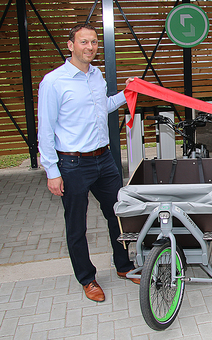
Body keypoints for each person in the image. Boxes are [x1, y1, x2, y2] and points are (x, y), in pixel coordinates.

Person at [38, 23, 138, 302]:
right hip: (72, 164)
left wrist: (126, 93)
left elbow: (102, 107)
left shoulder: (96, 76)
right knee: (76, 225)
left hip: (104, 159)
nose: (90, 47)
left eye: (94, 42)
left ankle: (124, 265)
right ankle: (87, 278)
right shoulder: (53, 82)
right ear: (70, 45)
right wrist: (52, 171)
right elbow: (45, 129)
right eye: (84, 42)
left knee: (117, 215)